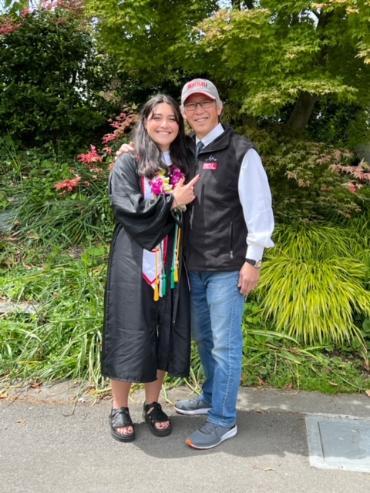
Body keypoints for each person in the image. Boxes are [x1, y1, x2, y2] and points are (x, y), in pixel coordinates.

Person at [173, 79, 275, 450]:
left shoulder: (240, 151)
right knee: (207, 340)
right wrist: (124, 151)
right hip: (193, 265)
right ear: (184, 112)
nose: (198, 110)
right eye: (191, 105)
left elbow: (259, 209)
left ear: (219, 107)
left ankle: (223, 419)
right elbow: (150, 159)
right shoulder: (186, 150)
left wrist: (253, 260)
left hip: (229, 266)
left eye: (205, 103)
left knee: (226, 346)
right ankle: (211, 396)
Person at [102, 94, 200, 443]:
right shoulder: (130, 161)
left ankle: (153, 403)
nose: (164, 124)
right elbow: (125, 206)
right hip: (134, 261)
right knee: (130, 330)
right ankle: (119, 406)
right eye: (156, 117)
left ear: (179, 123)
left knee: (163, 328)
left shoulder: (186, 160)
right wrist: (172, 201)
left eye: (171, 117)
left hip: (172, 263)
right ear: (145, 121)